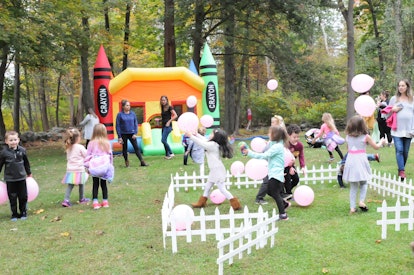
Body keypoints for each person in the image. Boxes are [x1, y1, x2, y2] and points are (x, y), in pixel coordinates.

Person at [243, 125, 291, 220]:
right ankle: (284, 203)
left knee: (275, 193)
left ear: (275, 135)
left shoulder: (277, 147)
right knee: (269, 191)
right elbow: (267, 149)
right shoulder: (274, 144)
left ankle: (283, 215)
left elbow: (264, 155)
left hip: (276, 174)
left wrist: (249, 153)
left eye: (270, 133)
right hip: (273, 173)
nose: (268, 134)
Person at [187, 129, 241, 210]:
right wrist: (196, 134)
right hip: (214, 170)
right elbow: (205, 140)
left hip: (217, 170)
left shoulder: (212, 145)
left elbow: (202, 143)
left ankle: (236, 204)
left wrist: (191, 136)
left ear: (216, 137)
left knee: (222, 189)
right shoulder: (213, 144)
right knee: (208, 186)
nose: (210, 134)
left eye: (212, 133)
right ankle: (201, 203)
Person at [342, 115, 385, 214]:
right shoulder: (366, 137)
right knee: (364, 182)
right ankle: (361, 201)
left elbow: (348, 149)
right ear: (363, 126)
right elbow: (376, 147)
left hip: (351, 160)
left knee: (353, 186)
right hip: (360, 161)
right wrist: (382, 141)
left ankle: (352, 208)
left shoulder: (348, 137)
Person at [0, 131, 31, 221]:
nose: (13, 142)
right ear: (6, 141)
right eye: (11, 140)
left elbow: (26, 163)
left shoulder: (22, 150)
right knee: (12, 197)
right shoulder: (4, 153)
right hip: (10, 179)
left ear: (18, 140)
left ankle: (23, 212)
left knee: (23, 196)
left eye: (15, 140)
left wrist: (29, 173)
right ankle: (14, 214)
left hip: (21, 178)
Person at [255, 115, 286, 204]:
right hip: (267, 160)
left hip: (273, 160)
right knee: (267, 180)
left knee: (277, 178)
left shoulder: (278, 133)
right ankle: (259, 198)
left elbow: (283, 131)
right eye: (271, 122)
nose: (271, 124)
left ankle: (280, 194)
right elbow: (266, 150)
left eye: (273, 122)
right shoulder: (273, 135)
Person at [388, 79, 414, 179]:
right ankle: (402, 171)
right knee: (399, 149)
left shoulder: (412, 99)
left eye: (403, 86)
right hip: (396, 129)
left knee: (405, 152)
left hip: (409, 129)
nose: (401, 87)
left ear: (407, 87)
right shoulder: (394, 99)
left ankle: (400, 169)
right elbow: (386, 114)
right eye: (399, 86)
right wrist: (392, 110)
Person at [85, 123, 114, 209]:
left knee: (95, 184)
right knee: (103, 184)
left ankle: (95, 202)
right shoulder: (107, 143)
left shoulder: (91, 143)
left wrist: (87, 167)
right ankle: (105, 201)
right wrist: (110, 166)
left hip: (94, 166)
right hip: (104, 166)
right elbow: (110, 155)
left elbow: (88, 155)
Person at [61, 128, 90, 207]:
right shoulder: (80, 147)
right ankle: (82, 198)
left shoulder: (68, 147)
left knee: (70, 185)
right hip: (79, 169)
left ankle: (66, 200)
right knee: (82, 184)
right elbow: (86, 155)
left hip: (70, 169)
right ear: (77, 138)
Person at [116, 99, 148, 167]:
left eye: (129, 105)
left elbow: (135, 123)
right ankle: (126, 162)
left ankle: (142, 161)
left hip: (132, 133)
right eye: (127, 105)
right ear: (123, 106)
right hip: (123, 134)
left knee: (136, 147)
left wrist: (135, 133)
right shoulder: (120, 115)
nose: (129, 106)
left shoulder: (132, 114)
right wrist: (119, 137)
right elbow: (118, 126)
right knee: (125, 148)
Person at [283, 124, 306, 199]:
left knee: (296, 179)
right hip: (284, 166)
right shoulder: (285, 145)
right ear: (289, 136)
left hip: (291, 165)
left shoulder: (300, 145)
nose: (296, 138)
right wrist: (289, 168)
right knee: (288, 180)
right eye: (294, 137)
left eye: (298, 137)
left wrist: (303, 167)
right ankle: (288, 194)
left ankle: (285, 191)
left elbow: (301, 156)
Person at [160, 95, 178, 159]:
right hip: (163, 126)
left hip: (168, 126)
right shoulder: (162, 107)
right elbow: (165, 117)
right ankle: (167, 155)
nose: (163, 101)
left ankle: (171, 153)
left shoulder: (170, 107)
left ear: (167, 100)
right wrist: (159, 120)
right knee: (164, 140)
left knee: (163, 140)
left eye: (164, 100)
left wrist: (169, 122)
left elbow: (175, 115)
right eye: (162, 100)